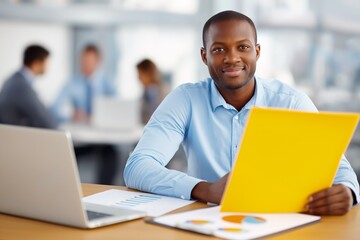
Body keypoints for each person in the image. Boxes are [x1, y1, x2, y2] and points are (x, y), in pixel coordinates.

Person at [124, 11, 359, 216]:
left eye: (243, 47)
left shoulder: (290, 102)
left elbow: (339, 169)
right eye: (219, 49)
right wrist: (206, 189)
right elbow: (138, 167)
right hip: (205, 223)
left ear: (257, 52)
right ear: (204, 56)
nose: (232, 58)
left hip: (283, 221)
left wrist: (347, 191)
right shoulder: (185, 99)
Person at [52, 44, 118, 185]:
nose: (85, 65)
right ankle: (67, 188)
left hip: (103, 136)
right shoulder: (73, 82)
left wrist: (103, 116)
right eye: (83, 61)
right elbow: (54, 108)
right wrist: (71, 115)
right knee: (66, 155)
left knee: (111, 155)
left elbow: (119, 107)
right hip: (82, 137)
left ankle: (103, 191)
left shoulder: (107, 82)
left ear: (98, 62)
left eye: (89, 61)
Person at [0, 45, 57, 129]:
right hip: (16, 135)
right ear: (37, 63)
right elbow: (45, 120)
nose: (48, 67)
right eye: (46, 63)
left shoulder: (14, 79)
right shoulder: (21, 86)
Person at [136, 59, 166, 124]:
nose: (139, 78)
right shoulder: (145, 93)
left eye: (140, 74)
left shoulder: (165, 93)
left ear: (148, 73)